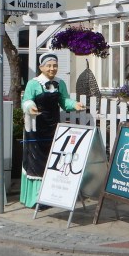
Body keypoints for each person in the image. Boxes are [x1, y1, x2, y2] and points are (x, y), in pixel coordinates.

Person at [20, 53, 83, 207]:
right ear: (41, 67)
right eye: (48, 65)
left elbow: (64, 101)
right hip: (35, 127)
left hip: (53, 127)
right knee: (36, 161)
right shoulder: (33, 83)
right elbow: (26, 100)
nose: (52, 68)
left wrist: (74, 105)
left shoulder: (60, 83)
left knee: (52, 159)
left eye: (54, 65)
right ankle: (34, 198)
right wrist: (30, 106)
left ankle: (49, 195)